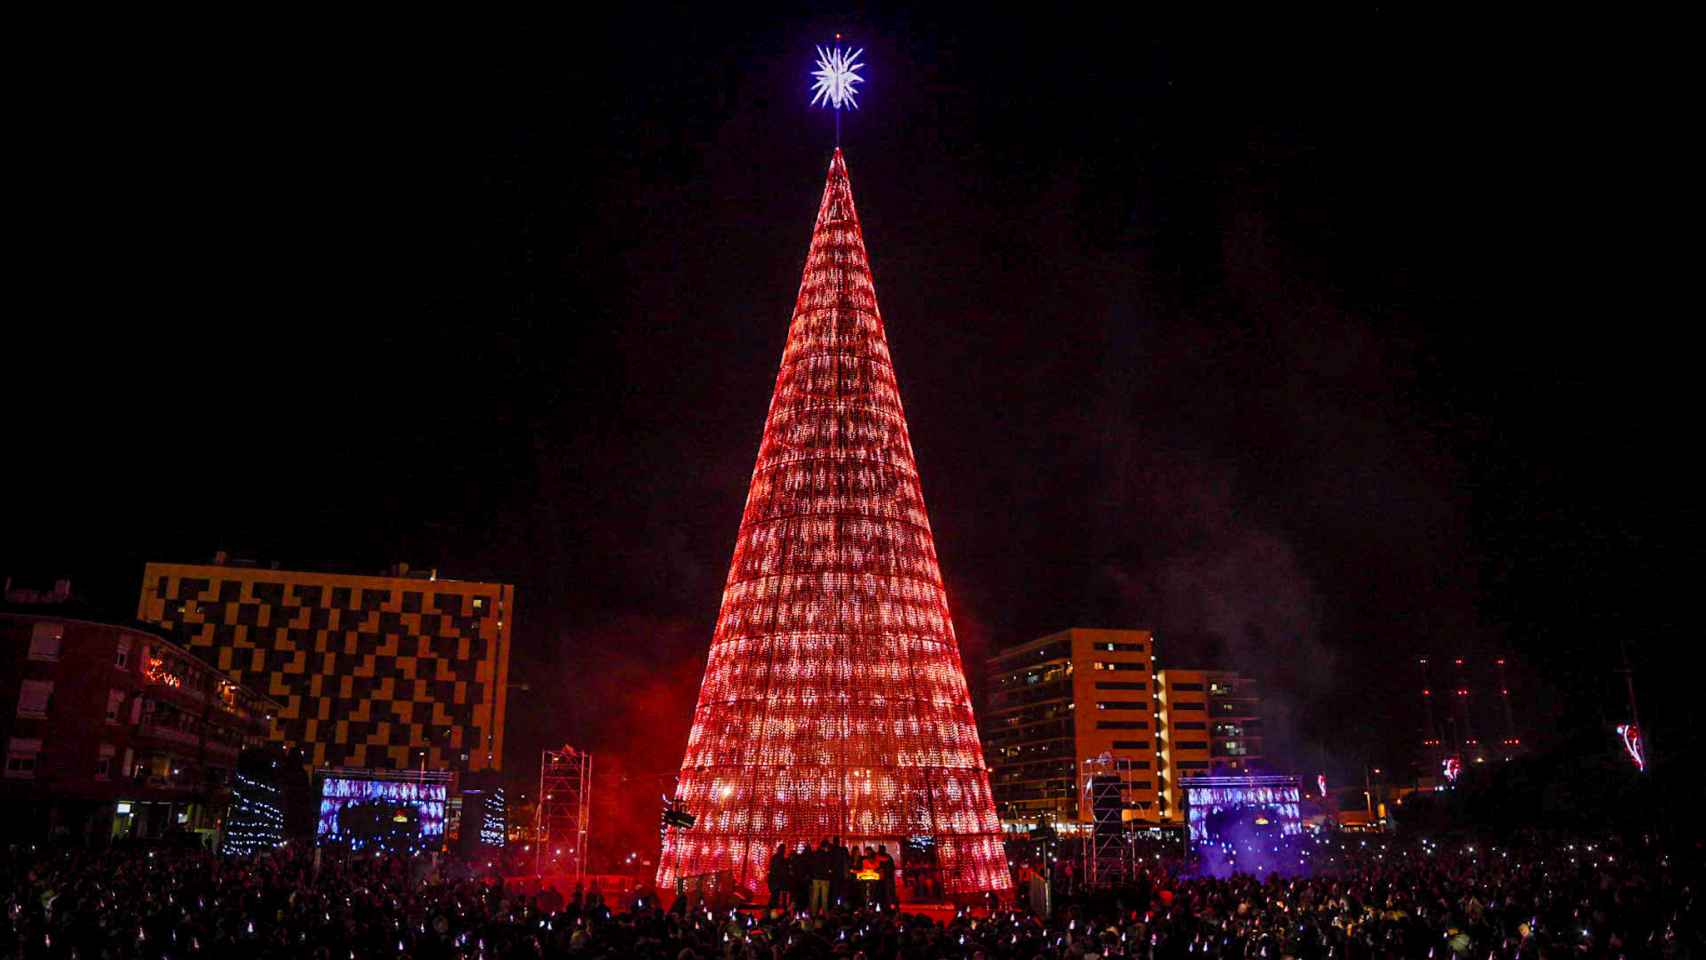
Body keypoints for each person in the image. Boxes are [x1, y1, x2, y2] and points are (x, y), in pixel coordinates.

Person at [808, 840, 833, 913]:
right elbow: (828, 866)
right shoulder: (827, 855)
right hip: (825, 878)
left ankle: (813, 913)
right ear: (826, 847)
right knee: (824, 898)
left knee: (815, 897)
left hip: (816, 878)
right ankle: (825, 914)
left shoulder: (815, 854)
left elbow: (812, 865)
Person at [766, 842, 789, 910]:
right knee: (775, 895)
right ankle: (771, 908)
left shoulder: (775, 857)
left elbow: (772, 867)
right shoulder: (780, 858)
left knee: (775, 894)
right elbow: (779, 869)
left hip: (774, 878)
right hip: (776, 879)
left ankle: (772, 908)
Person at [875, 844, 896, 908]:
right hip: (883, 877)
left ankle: (887, 904)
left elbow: (891, 867)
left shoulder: (884, 857)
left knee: (886, 891)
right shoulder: (887, 857)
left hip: (886, 877)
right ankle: (886, 904)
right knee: (884, 891)